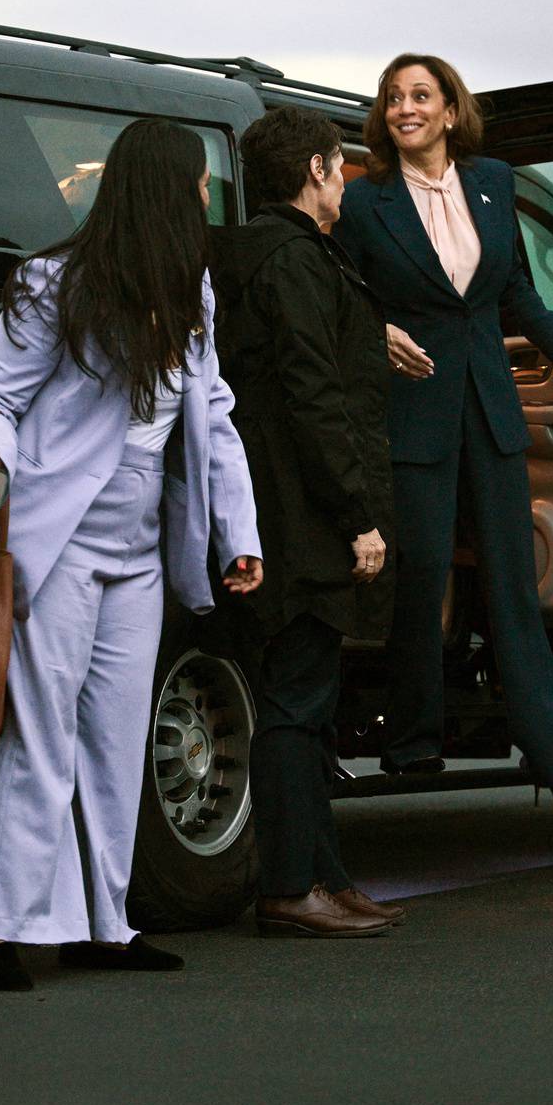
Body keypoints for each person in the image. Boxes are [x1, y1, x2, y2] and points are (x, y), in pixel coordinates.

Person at [0, 118, 263, 990]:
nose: (206, 201)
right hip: (55, 541)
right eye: (198, 186)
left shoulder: (191, 292)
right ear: (166, 193)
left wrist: (236, 535)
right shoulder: (56, 283)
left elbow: (214, 416)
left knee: (117, 738)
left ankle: (104, 923)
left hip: (138, 553)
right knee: (37, 734)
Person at [334, 54, 553, 803]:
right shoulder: (364, 202)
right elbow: (339, 297)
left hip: (489, 405)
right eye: (393, 99)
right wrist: (377, 330)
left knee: (513, 580)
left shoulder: (495, 182)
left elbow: (513, 286)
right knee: (419, 580)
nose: (404, 109)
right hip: (412, 410)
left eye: (420, 96)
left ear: (452, 110)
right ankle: (413, 742)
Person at [211, 106, 401, 939]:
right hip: (300, 513)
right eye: (340, 167)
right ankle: (291, 885)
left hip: (266, 506)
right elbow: (312, 394)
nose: (346, 182)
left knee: (308, 698)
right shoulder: (292, 259)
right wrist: (355, 513)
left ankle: (326, 872)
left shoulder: (251, 255)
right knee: (295, 700)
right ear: (318, 171)